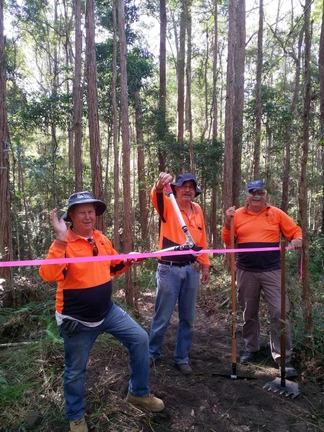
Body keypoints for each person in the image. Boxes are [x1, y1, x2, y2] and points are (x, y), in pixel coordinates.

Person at [39, 191, 164, 432]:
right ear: (71, 216)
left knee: (140, 339)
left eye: (91, 212)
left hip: (107, 312)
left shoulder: (101, 239)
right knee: (75, 370)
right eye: (81, 212)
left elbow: (114, 266)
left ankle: (138, 393)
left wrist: (129, 260)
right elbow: (49, 275)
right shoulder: (65, 243)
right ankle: (75, 416)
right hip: (77, 320)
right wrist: (60, 239)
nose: (87, 216)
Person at [222, 180, 302, 378]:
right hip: (246, 270)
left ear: (265, 194)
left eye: (260, 192)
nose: (256, 196)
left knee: (279, 310)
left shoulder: (276, 213)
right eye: (252, 192)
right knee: (249, 311)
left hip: (272, 270)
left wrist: (297, 239)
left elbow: (294, 231)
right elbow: (228, 240)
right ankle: (252, 348)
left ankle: (283, 357)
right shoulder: (237, 214)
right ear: (247, 195)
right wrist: (226, 222)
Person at [149, 173, 211, 375]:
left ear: (195, 192)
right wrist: (159, 184)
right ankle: (152, 353)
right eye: (183, 186)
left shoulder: (198, 210)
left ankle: (181, 357)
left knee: (188, 318)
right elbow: (156, 195)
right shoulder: (168, 206)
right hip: (168, 269)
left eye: (191, 187)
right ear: (175, 189)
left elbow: (201, 239)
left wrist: (205, 264)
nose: (187, 190)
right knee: (163, 316)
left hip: (190, 270)